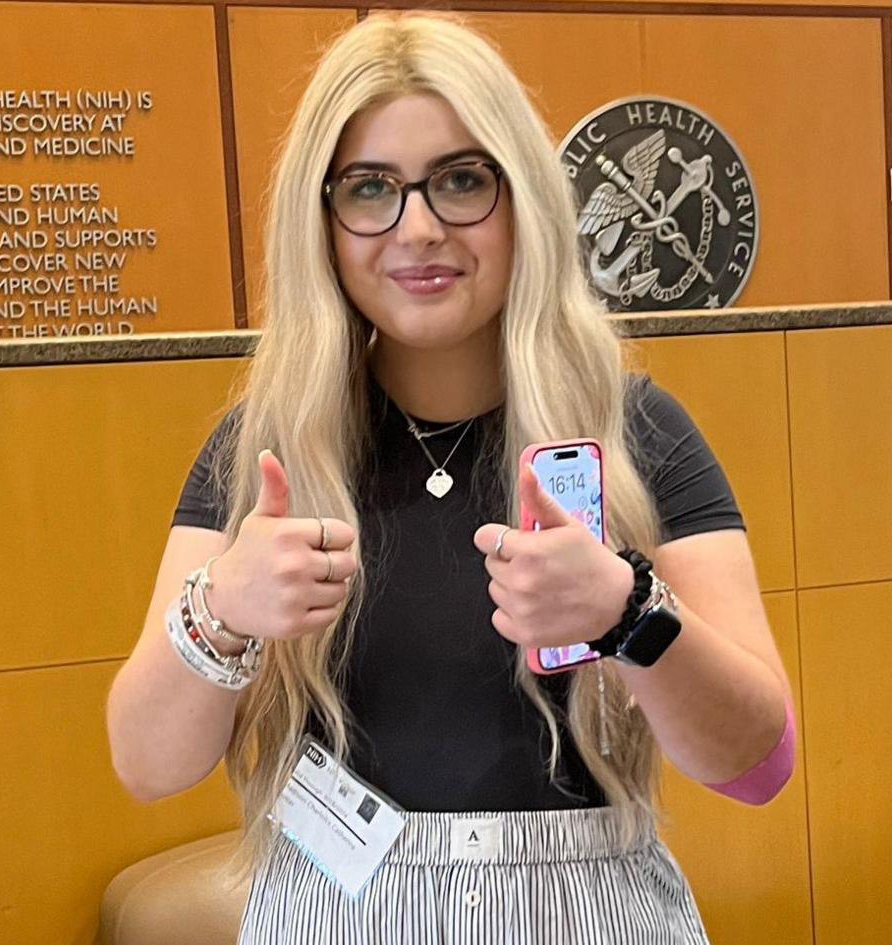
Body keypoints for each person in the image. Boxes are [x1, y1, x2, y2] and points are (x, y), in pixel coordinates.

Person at [105, 11, 795, 943]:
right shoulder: (265, 452)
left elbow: (758, 764)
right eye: (370, 189)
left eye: (462, 180)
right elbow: (146, 763)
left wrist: (630, 611)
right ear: (323, 221)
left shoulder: (634, 433)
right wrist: (222, 607)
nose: (418, 228)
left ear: (524, 202)